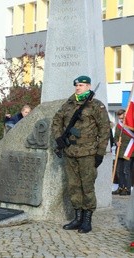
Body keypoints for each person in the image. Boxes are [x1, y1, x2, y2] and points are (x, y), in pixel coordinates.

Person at [51, 75, 110, 234]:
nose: (78, 87)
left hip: (88, 153)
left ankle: (87, 220)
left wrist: (100, 153)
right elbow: (56, 121)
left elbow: (105, 130)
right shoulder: (68, 104)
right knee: (74, 186)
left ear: (89, 86)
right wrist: (59, 138)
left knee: (87, 186)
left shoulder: (96, 106)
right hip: (70, 151)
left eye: (82, 85)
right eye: (77, 85)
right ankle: (77, 218)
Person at [112, 109, 132, 195]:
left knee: (126, 171)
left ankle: (127, 188)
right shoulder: (118, 126)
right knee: (118, 171)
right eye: (119, 118)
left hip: (128, 151)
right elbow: (115, 137)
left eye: (122, 117)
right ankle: (120, 187)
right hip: (119, 151)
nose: (121, 119)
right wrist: (116, 142)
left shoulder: (131, 125)